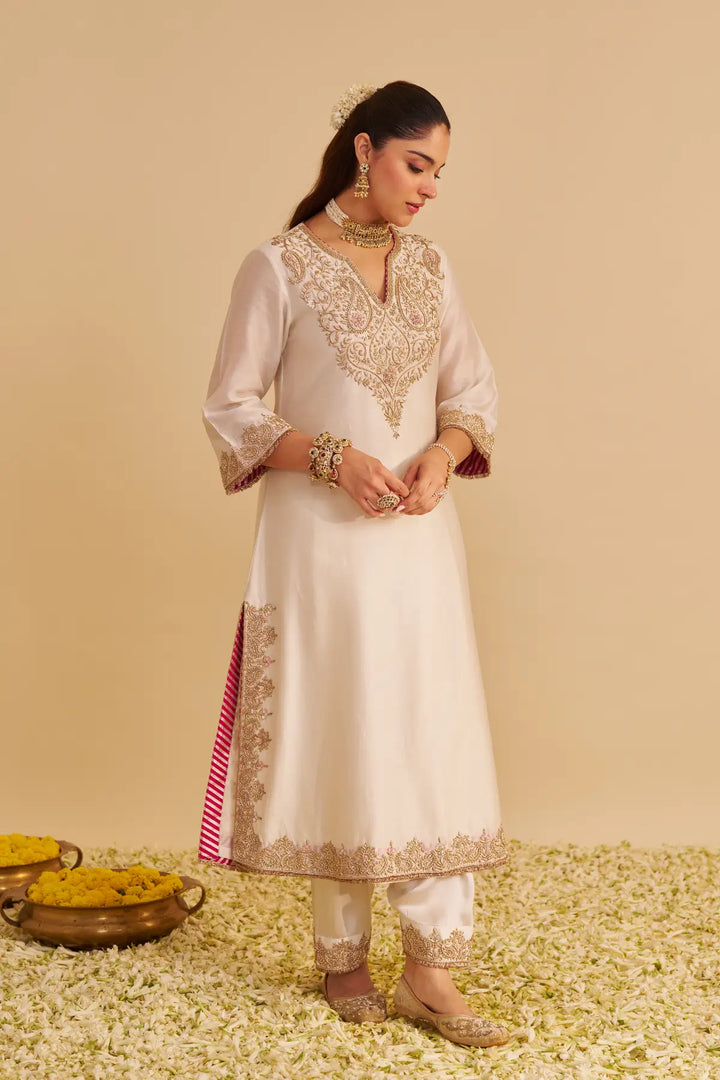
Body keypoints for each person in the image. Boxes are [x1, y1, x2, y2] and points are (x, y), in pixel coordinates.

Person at [198, 80, 510, 1050]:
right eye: (417, 165)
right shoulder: (279, 266)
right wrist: (333, 458)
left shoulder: (432, 268)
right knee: (345, 721)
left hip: (416, 537)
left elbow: (473, 393)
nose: (428, 189)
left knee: (428, 724)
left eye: (440, 174)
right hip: (320, 546)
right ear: (366, 150)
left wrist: (440, 456)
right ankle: (344, 958)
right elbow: (232, 408)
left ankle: (432, 969)